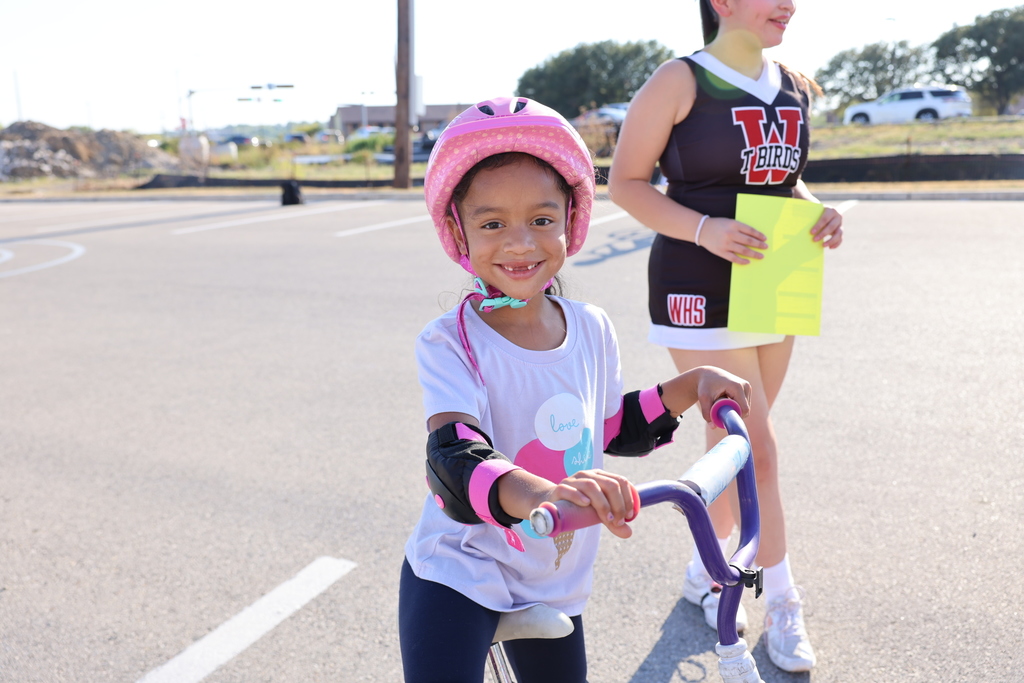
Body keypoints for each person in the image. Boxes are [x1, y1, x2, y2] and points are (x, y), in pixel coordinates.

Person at [399, 96, 753, 683]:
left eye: (541, 220)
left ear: (571, 220)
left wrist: (690, 385)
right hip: (462, 569)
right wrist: (544, 494)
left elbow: (611, 426)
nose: (520, 244)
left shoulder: (590, 327)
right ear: (459, 231)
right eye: (492, 224)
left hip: (552, 574)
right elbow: (456, 457)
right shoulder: (449, 342)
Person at [607, 0, 844, 674]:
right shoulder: (680, 79)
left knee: (734, 446)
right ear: (723, 2)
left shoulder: (793, 82)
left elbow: (781, 180)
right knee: (759, 446)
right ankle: (781, 603)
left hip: (781, 273)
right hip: (698, 281)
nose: (789, 4)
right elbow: (626, 181)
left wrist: (815, 211)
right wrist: (705, 230)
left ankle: (701, 568)